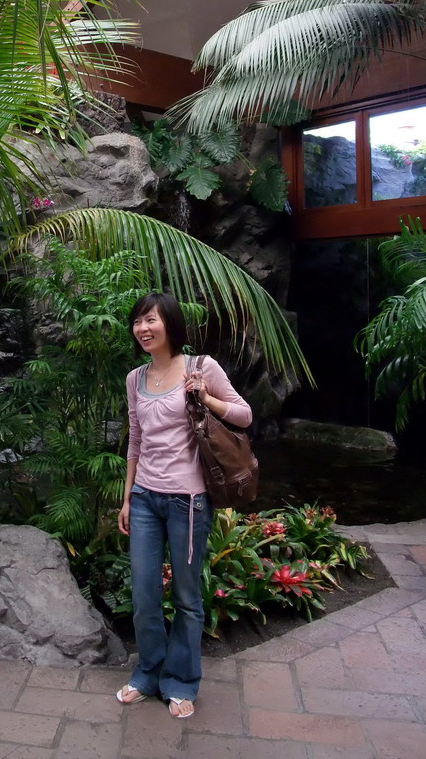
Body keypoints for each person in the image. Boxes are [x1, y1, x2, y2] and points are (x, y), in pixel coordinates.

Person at [116, 291, 252, 718]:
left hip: (188, 501)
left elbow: (244, 415)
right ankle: (147, 673)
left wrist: (205, 397)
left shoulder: (201, 367)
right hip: (144, 500)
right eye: (138, 321)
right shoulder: (134, 379)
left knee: (188, 596)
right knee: (143, 594)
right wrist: (126, 497)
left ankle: (181, 682)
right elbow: (135, 440)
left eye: (151, 319)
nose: (143, 328)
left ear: (169, 324)